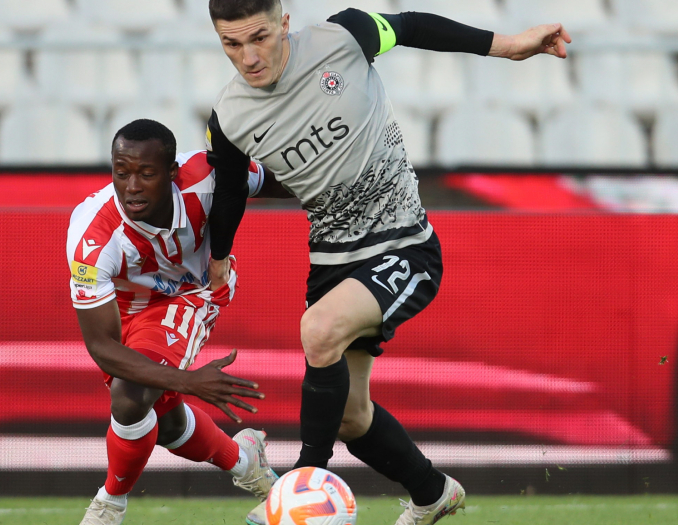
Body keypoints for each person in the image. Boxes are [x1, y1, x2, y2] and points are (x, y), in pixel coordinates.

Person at [203, 2, 571, 524]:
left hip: (404, 244)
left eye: (258, 37)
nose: (249, 57)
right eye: (232, 45)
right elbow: (230, 190)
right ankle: (433, 492)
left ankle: (299, 488)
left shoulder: (344, 37)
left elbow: (414, 26)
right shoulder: (230, 116)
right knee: (351, 418)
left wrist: (510, 46)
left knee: (319, 329)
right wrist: (218, 257)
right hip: (332, 261)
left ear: (283, 23)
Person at [68, 119, 289, 525]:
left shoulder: (206, 175)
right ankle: (246, 462)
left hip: (190, 293)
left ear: (172, 172)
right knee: (166, 424)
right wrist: (188, 382)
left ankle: (108, 506)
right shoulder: (91, 235)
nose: (132, 186)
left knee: (131, 396)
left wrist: (340, 197)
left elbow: (282, 181)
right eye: (122, 172)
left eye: (146, 174)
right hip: (122, 309)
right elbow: (101, 347)